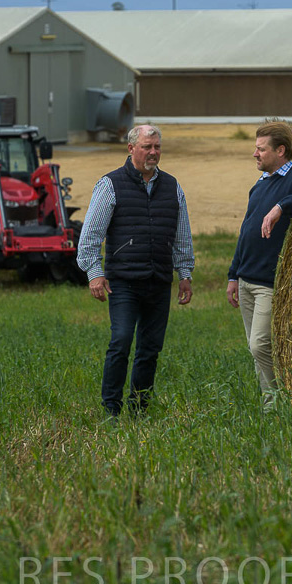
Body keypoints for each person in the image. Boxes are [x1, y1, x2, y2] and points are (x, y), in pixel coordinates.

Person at [77, 124, 194, 419]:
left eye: (157, 147)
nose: (153, 152)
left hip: (159, 280)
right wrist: (94, 273)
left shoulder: (172, 186)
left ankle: (140, 409)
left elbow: (182, 236)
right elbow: (90, 236)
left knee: (150, 348)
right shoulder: (110, 185)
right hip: (123, 282)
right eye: (147, 147)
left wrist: (185, 274)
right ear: (131, 149)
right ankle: (111, 409)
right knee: (121, 341)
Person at [227, 120, 292, 409]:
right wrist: (233, 275)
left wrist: (281, 207)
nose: (255, 154)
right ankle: (272, 405)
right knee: (256, 349)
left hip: (270, 281)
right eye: (255, 148)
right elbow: (246, 232)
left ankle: (279, 403)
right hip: (246, 279)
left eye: (261, 149)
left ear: (280, 150)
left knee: (260, 344)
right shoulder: (259, 185)